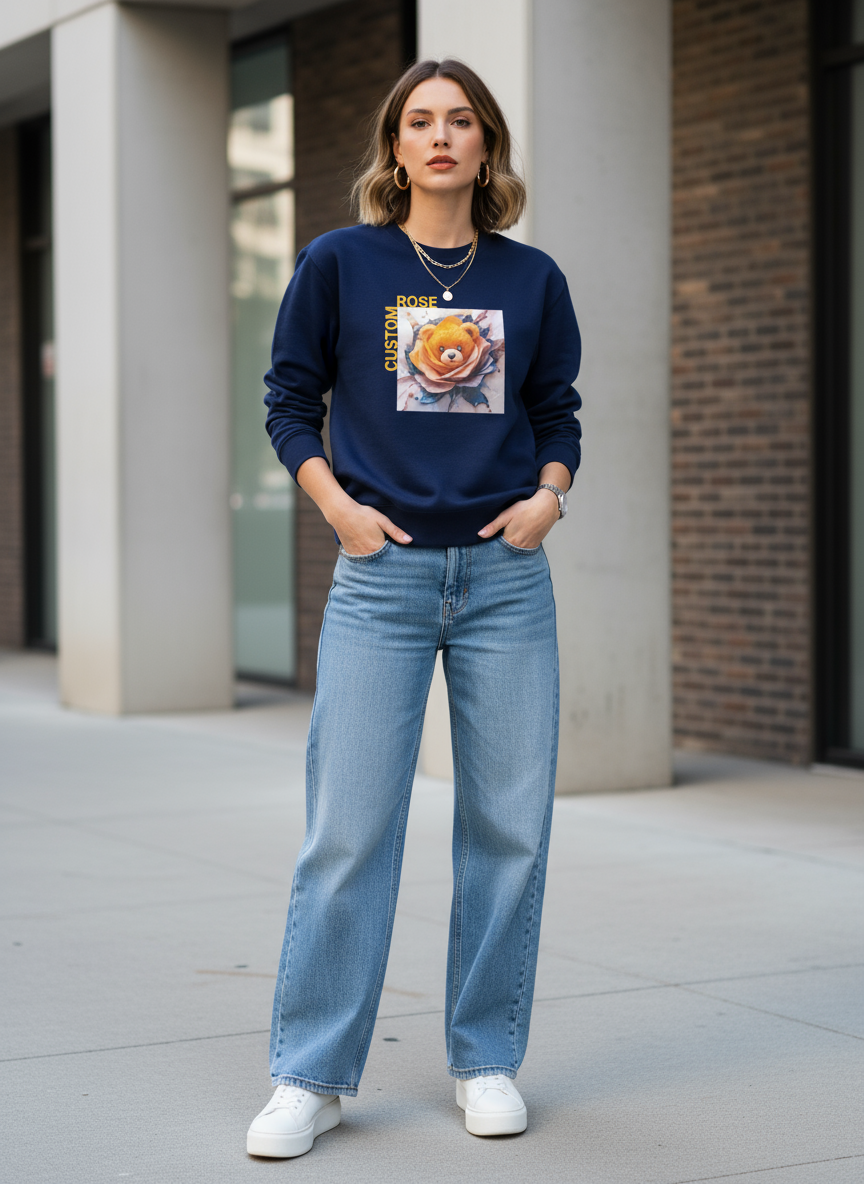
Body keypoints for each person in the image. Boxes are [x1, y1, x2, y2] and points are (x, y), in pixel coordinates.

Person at [246, 57, 582, 1159]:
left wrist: (548, 499)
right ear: (396, 147)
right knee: (348, 831)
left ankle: (485, 1057)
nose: (441, 137)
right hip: (381, 578)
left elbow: (556, 411)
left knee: (509, 831)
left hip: (504, 581)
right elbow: (290, 399)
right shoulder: (340, 263)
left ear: (487, 146)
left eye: (462, 121)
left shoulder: (531, 279)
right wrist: (341, 509)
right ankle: (310, 1073)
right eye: (420, 121)